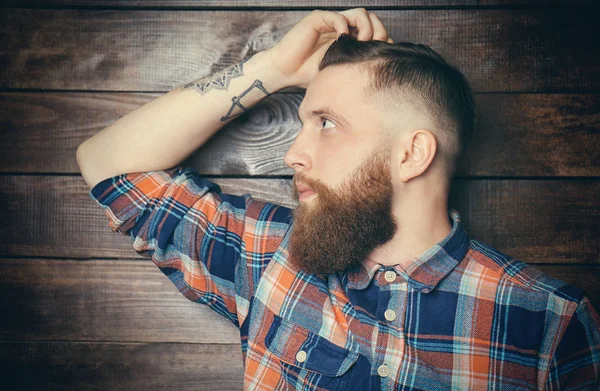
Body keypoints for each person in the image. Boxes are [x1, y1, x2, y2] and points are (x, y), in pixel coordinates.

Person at [77, 7, 600, 390]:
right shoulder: (270, 258)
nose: (293, 155)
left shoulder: (550, 325)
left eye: (326, 124)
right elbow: (107, 163)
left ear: (413, 154)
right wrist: (276, 70)